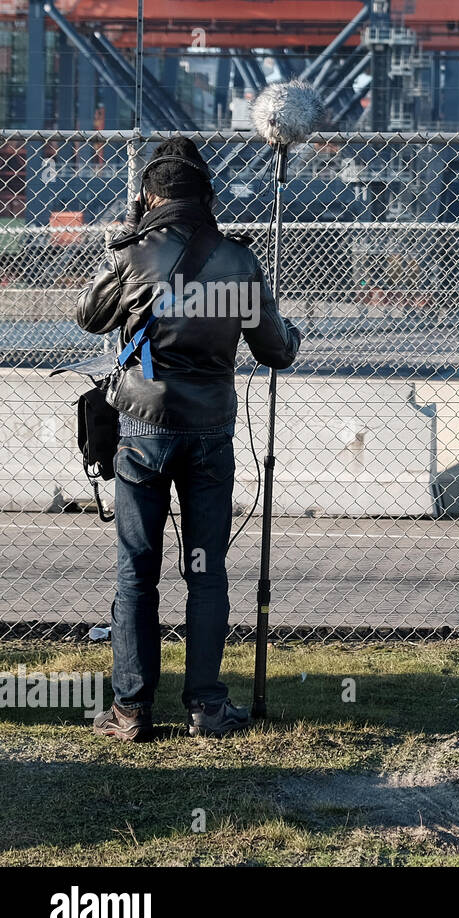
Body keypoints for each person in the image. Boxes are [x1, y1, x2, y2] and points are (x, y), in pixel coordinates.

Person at [75, 136, 302, 741]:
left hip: (143, 432)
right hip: (209, 434)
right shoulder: (238, 259)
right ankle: (206, 706)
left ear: (149, 194)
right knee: (205, 571)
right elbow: (276, 350)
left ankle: (130, 710)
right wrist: (292, 331)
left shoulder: (133, 256)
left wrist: (121, 244)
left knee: (136, 571)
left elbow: (88, 315)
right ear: (207, 195)